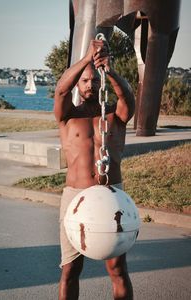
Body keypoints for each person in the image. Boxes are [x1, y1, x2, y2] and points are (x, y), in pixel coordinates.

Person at [54, 38, 135, 300]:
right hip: (74, 196)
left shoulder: (115, 116)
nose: (90, 84)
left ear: (101, 83)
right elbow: (60, 91)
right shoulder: (67, 116)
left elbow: (128, 97)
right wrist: (87, 59)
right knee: (70, 269)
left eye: (95, 80)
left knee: (117, 268)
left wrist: (108, 70)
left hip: (110, 195)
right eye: (85, 81)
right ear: (79, 83)